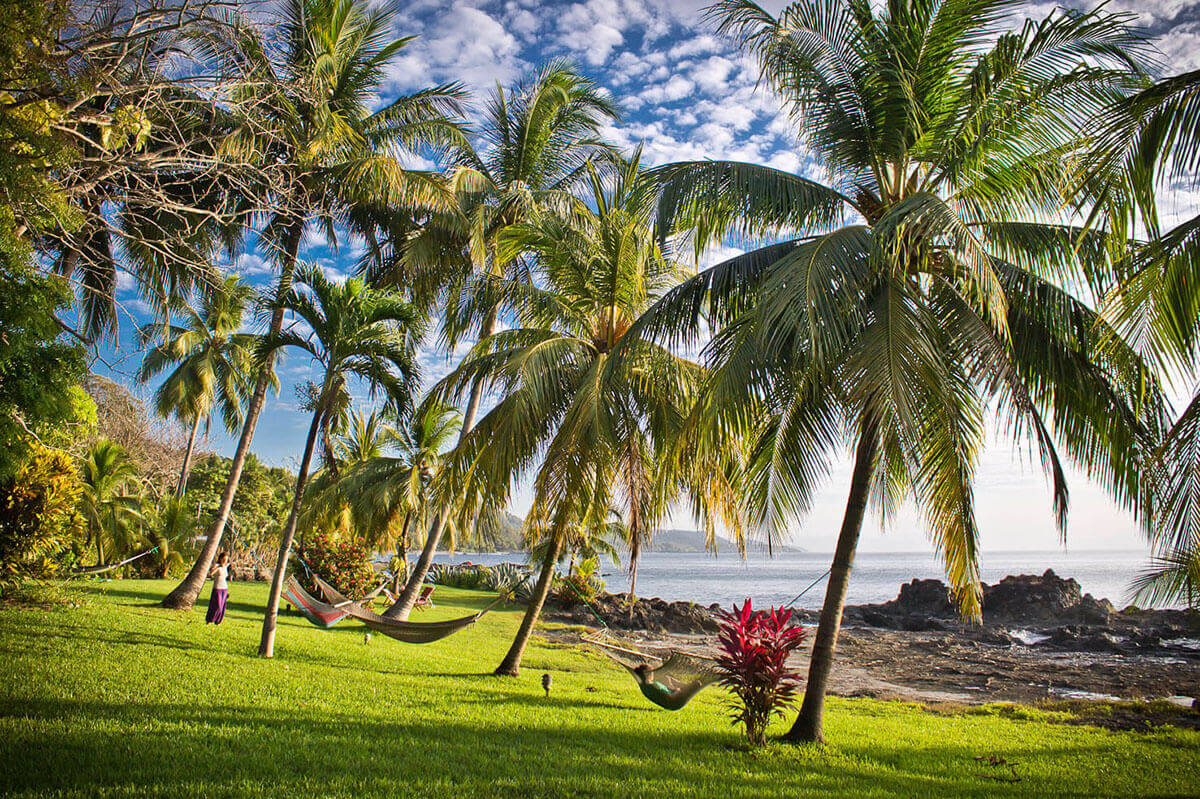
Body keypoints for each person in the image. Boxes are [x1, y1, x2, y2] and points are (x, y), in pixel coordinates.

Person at [206, 551, 230, 625]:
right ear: (220, 559)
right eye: (223, 559)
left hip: (224, 588)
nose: (225, 561)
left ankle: (218, 621)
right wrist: (218, 567)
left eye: (226, 560)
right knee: (217, 605)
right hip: (217, 588)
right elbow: (211, 573)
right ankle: (210, 619)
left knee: (222, 606)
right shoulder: (217, 566)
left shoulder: (226, 567)